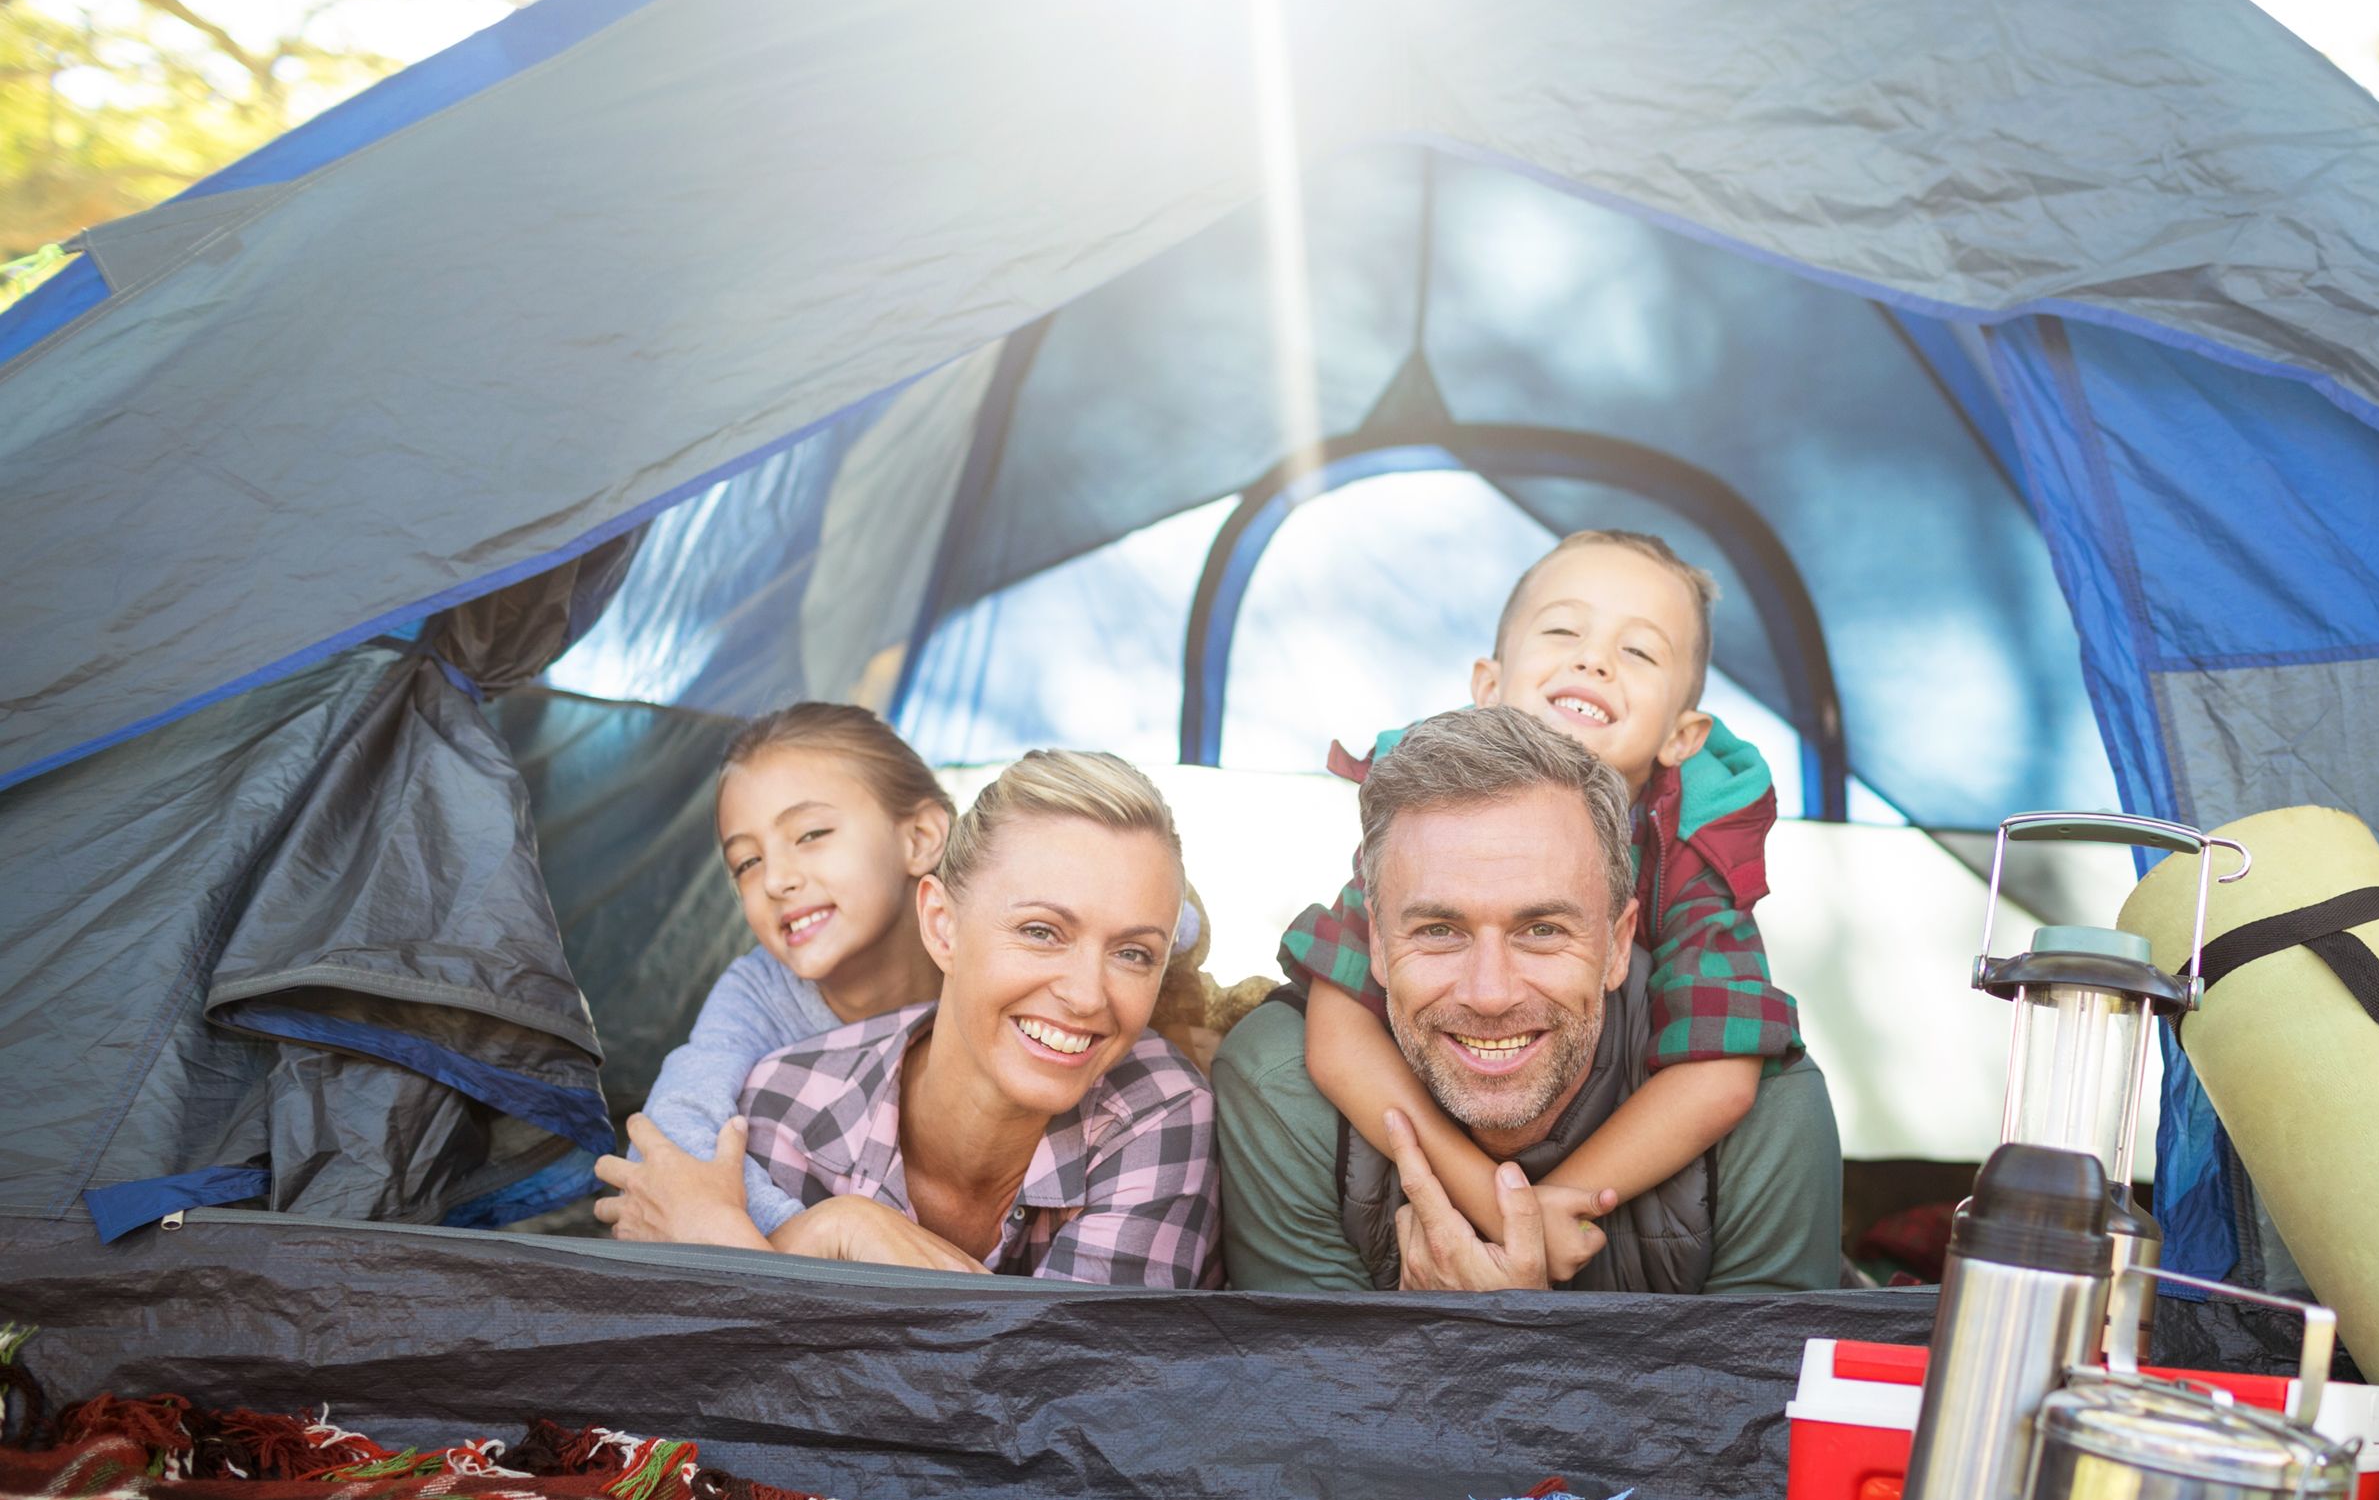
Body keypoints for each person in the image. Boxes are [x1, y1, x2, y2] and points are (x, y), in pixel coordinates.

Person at [1282, 530, 1805, 1258]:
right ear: (1489, 688)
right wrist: (1494, 1206)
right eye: (1563, 630)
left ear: (1682, 737)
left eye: (1640, 651)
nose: (1593, 659)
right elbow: (1339, 1029)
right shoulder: (1428, 810)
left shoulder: (1694, 843)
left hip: (1599, 1119)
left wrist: (1564, 1207)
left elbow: (1720, 1068)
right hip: (1461, 1106)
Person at [1215, 704, 1841, 1293]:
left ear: (1618, 945)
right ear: (1375, 942)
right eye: (1439, 931)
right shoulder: (1279, 1087)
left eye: (1542, 930)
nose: (1490, 994)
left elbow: (1762, 1402)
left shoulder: (1765, 1117)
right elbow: (1298, 1399)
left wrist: (1512, 1328)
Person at [595, 749, 1221, 1284]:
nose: (1087, 995)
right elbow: (718, 1380)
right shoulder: (786, 1106)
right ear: (942, 927)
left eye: (1134, 953)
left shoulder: (1159, 1110)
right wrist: (837, 1233)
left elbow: (1069, 1398)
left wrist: (790, 1246)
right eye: (1041, 931)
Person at [637, 702, 957, 1236]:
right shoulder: (761, 990)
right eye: (746, 862)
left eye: (810, 834)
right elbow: (668, 1138)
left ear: (920, 837)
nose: (775, 880)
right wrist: (820, 1241)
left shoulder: (991, 962)